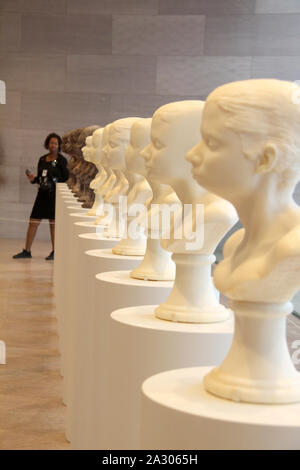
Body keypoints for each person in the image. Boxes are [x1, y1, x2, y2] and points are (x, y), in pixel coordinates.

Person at [13, 133, 69, 260]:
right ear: (47, 144)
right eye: (51, 143)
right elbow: (40, 178)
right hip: (42, 195)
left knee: (53, 224)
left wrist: (54, 183)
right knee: (33, 222)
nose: (53, 145)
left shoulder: (62, 160)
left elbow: (66, 178)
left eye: (55, 143)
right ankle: (27, 251)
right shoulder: (42, 159)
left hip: (54, 196)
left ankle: (55, 252)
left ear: (59, 145)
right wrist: (33, 179)